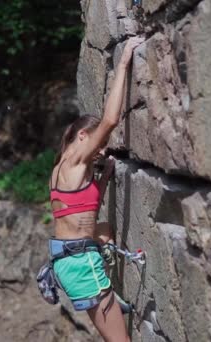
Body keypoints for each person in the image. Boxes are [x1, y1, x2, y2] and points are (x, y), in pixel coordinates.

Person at [48, 36, 144, 342]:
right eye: (98, 144)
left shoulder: (63, 171)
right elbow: (111, 119)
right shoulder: (75, 159)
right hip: (81, 264)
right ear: (82, 137)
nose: (101, 152)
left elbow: (84, 210)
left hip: (69, 261)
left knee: (103, 230)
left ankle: (110, 289)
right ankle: (107, 291)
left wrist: (103, 178)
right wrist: (125, 60)